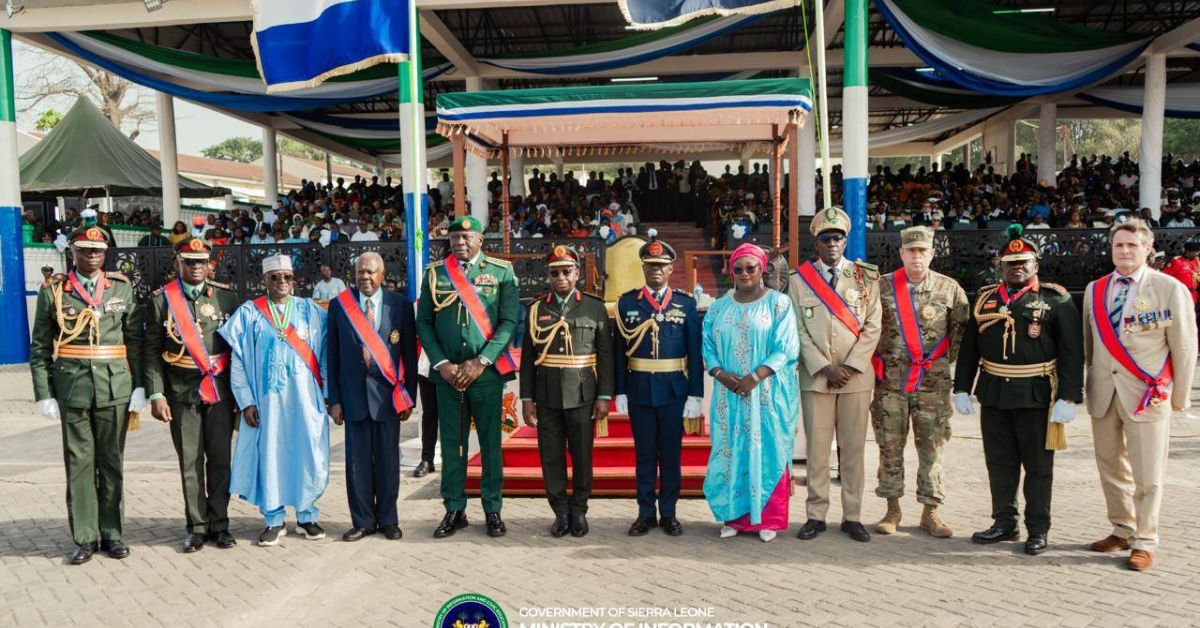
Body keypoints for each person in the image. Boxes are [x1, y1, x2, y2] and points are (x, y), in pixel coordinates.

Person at [953, 224, 1083, 556]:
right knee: (999, 462)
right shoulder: (985, 298)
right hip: (994, 392)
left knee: (1038, 467)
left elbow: (1072, 352)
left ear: (1035, 265)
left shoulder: (1056, 299)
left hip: (1037, 395)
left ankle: (1037, 528)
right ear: (1000, 265)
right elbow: (970, 349)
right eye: (1011, 263)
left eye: (1024, 262)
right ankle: (1004, 522)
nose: (1018, 268)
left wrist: (1069, 396)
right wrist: (961, 388)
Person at [1082, 219, 1196, 571]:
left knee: (1149, 473)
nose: (1126, 251)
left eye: (1133, 245)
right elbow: (1090, 346)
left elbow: (1184, 347)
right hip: (1105, 392)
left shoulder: (1168, 288)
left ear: (1148, 249)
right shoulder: (1095, 289)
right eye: (1119, 245)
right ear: (1111, 249)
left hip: (1148, 394)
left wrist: (1180, 397)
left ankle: (1145, 540)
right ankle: (1122, 527)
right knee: (1111, 465)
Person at [29, 224, 145, 565]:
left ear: (105, 253)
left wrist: (139, 386)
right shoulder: (54, 291)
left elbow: (134, 342)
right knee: (79, 464)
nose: (91, 255)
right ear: (73, 252)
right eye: (84, 250)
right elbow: (39, 348)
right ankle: (84, 537)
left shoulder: (122, 289)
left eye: (97, 250)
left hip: (114, 388)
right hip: (73, 388)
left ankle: (111, 534)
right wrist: (43, 393)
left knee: (111, 463)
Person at [416, 215, 519, 539]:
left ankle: (492, 509)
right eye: (454, 238)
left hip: (485, 375)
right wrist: (442, 363)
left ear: (480, 240)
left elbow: (508, 322)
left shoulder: (502, 272)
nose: (460, 242)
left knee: (489, 444)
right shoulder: (434, 273)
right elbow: (423, 323)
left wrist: (481, 361)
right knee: (452, 444)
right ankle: (454, 509)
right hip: (447, 376)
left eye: (466, 237)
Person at [219, 254, 330, 546]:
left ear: (295, 280)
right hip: (267, 403)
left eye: (287, 277)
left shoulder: (311, 311)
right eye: (275, 277)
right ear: (264, 280)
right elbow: (239, 362)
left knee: (308, 453)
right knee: (271, 456)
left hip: (306, 402)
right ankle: (274, 518)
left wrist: (329, 396)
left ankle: (307, 515)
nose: (282, 282)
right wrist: (246, 401)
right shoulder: (249, 313)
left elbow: (328, 355)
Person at [788, 207, 882, 543]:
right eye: (825, 238)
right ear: (817, 242)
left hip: (855, 379)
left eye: (837, 237)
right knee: (816, 451)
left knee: (853, 448)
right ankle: (816, 515)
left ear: (846, 240)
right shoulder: (798, 282)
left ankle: (853, 515)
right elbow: (796, 329)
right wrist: (823, 365)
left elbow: (873, 326)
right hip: (816, 377)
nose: (832, 243)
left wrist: (851, 366)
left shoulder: (867, 277)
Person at [142, 238, 239, 553]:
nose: (196, 266)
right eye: (189, 261)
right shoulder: (162, 300)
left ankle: (220, 524)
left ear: (210, 263)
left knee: (221, 461)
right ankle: (197, 527)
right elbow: (151, 352)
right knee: (190, 462)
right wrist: (156, 393)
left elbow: (237, 350)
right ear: (178, 263)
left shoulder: (226, 297)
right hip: (182, 391)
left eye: (201, 261)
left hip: (220, 392)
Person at [871, 227, 969, 538]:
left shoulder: (949, 288)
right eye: (910, 251)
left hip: (933, 387)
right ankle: (892, 508)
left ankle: (931, 511)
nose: (916, 256)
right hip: (890, 387)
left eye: (922, 251)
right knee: (889, 448)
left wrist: (939, 365)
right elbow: (868, 327)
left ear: (931, 253)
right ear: (901, 253)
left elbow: (960, 334)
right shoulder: (883, 286)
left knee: (932, 449)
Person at [702, 243, 800, 542]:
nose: (744, 274)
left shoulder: (779, 305)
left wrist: (756, 376)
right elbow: (707, 346)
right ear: (732, 272)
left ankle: (767, 518)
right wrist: (720, 374)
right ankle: (733, 517)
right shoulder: (719, 307)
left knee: (767, 450)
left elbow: (786, 347)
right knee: (730, 452)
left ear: (762, 270)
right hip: (729, 397)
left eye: (751, 268)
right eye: (739, 269)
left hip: (767, 396)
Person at [520, 245, 613, 538]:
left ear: (577, 274)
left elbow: (605, 356)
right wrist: (527, 399)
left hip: (583, 395)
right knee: (551, 456)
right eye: (555, 272)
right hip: (546, 394)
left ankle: (580, 510)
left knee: (583, 456)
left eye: (566, 271)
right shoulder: (536, 308)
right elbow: (526, 359)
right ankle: (559, 510)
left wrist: (604, 396)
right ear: (549, 276)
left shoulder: (594, 307)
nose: (560, 277)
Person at [614, 237, 703, 537]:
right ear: (643, 267)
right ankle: (644, 513)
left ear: (670, 269)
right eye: (650, 265)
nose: (655, 270)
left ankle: (669, 513)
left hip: (674, 391)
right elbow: (618, 351)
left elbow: (695, 351)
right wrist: (620, 389)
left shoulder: (685, 303)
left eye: (661, 266)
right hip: (639, 389)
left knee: (670, 455)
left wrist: (696, 394)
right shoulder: (627, 302)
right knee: (644, 455)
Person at [327, 252, 418, 542]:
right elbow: (333, 355)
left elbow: (409, 358)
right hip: (352, 397)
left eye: (370, 272)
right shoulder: (340, 305)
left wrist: (410, 398)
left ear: (381, 274)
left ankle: (389, 519)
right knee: (357, 465)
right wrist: (335, 400)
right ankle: (363, 521)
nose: (364, 277)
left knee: (389, 461)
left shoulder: (400, 306)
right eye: (360, 273)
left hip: (388, 398)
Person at [1162, 242, 1199, 308]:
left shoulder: (1196, 261)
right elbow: (1164, 278)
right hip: (1180, 295)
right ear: (1188, 251)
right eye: (1195, 252)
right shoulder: (1177, 262)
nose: (1197, 253)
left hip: (1193, 295)